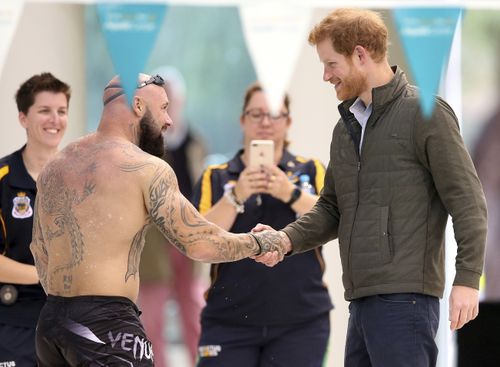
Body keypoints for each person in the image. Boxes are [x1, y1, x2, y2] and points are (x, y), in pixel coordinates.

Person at [254, 8, 487, 367]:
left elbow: (469, 202)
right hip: (361, 301)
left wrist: (468, 279)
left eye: (331, 64)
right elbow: (331, 207)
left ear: (360, 54)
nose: (325, 76)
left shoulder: (426, 114)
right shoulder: (345, 128)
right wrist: (285, 240)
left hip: (406, 302)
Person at [29, 73, 284, 367]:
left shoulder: (57, 165)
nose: (169, 121)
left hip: (51, 325)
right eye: (163, 108)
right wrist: (261, 242)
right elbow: (200, 244)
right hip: (106, 328)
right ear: (138, 106)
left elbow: (40, 250)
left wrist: (72, 311)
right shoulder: (146, 168)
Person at [192, 82, 333, 367]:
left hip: (301, 320)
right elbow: (198, 238)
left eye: (274, 115)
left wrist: (289, 193)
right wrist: (236, 195)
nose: (266, 122)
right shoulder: (216, 177)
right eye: (256, 114)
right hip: (228, 319)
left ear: (288, 121)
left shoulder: (311, 170)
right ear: (242, 120)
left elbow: (331, 219)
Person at [0, 72, 71, 367]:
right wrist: (45, 275)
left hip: (72, 319)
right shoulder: (3, 179)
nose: (55, 119)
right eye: (44, 111)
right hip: (14, 320)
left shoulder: (82, 178)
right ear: (23, 118)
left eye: (62, 111)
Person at [138, 66, 207, 367]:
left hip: (188, 241)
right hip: (153, 244)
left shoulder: (194, 143)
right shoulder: (143, 144)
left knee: (193, 312)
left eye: (173, 102)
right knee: (151, 318)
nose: (170, 111)